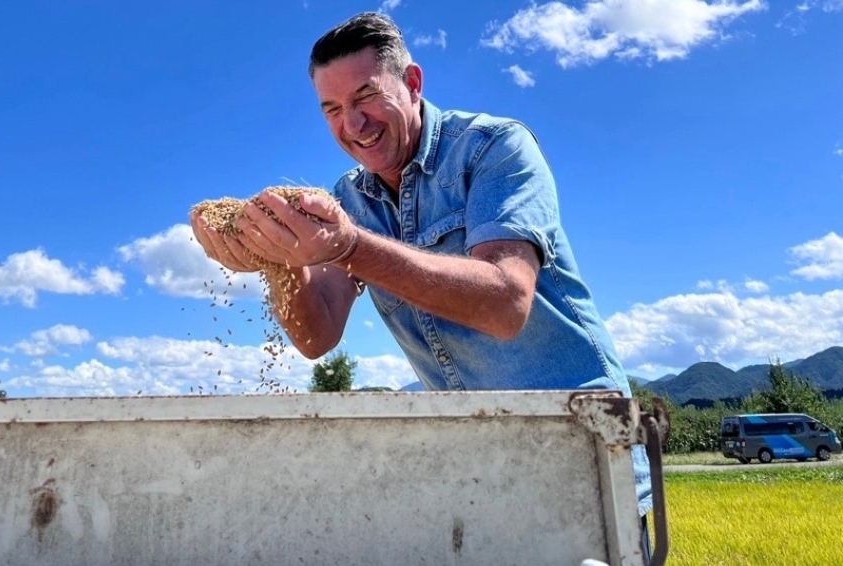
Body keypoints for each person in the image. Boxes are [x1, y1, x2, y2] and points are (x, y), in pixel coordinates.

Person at [190, 11, 652, 557]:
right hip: (472, 460)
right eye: (332, 110)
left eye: (365, 97)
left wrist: (351, 247)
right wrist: (279, 257)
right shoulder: (351, 197)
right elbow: (317, 336)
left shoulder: (494, 149)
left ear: (412, 83)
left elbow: (506, 304)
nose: (352, 125)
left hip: (580, 447)